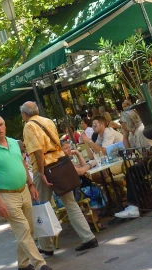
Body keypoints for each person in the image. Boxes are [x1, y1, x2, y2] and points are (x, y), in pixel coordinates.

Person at [20, 101, 99, 254]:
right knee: (70, 203)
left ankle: (46, 246)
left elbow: (37, 151)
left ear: (24, 114)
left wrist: (41, 173)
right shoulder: (48, 121)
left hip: (44, 167)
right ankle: (88, 237)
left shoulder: (29, 126)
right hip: (60, 163)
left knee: (41, 205)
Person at [0, 115, 52, 270]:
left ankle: (22, 263)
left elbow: (23, 164)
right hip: (7, 196)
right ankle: (39, 263)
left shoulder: (14, 143)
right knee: (23, 230)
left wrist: (31, 185)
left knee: (29, 229)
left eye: (1, 124)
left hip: (24, 191)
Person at [115, 109, 152, 220]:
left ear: (128, 122)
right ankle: (134, 204)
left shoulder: (141, 131)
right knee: (130, 172)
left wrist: (141, 159)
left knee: (132, 171)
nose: (120, 124)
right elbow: (129, 151)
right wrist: (125, 136)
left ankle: (134, 205)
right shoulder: (133, 133)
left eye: (121, 121)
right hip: (144, 162)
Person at [61, 141, 107, 229]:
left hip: (79, 187)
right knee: (95, 192)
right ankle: (90, 221)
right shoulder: (63, 162)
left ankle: (91, 220)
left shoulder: (68, 160)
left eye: (69, 147)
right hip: (75, 191)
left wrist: (78, 154)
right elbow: (81, 171)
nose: (69, 150)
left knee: (95, 189)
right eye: (65, 148)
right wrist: (90, 164)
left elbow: (83, 167)